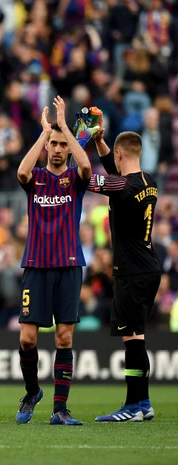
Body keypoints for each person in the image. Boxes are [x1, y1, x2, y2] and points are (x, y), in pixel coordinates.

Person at [15, 97, 92, 425]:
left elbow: (87, 167)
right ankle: (33, 392)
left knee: (64, 337)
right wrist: (44, 132)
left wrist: (65, 126)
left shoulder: (74, 179)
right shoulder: (36, 181)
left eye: (63, 144)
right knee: (27, 338)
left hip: (69, 264)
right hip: (36, 264)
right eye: (54, 144)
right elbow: (21, 170)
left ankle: (60, 409)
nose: (58, 149)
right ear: (47, 147)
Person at [87, 123, 160, 422]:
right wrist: (100, 142)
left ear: (120, 154)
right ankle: (143, 402)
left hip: (131, 270)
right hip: (148, 265)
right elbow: (114, 175)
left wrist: (77, 142)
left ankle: (132, 406)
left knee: (132, 339)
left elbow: (86, 177)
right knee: (137, 336)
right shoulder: (148, 181)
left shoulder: (123, 186)